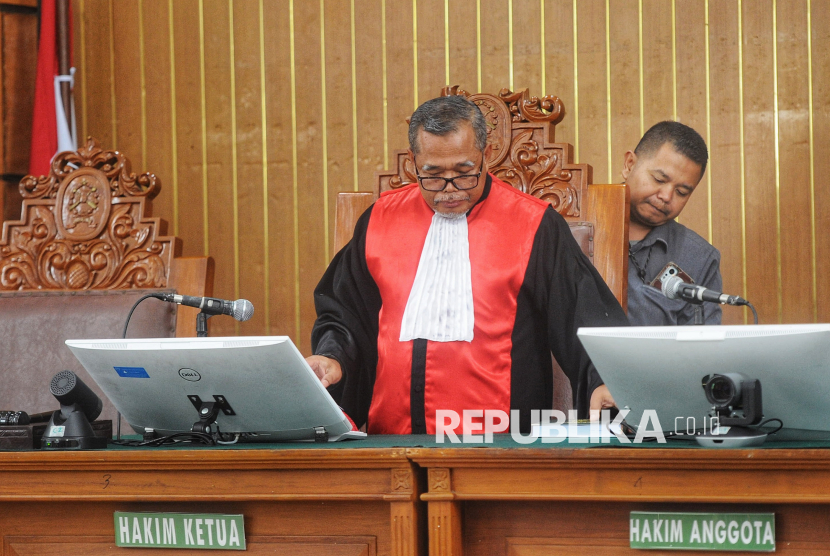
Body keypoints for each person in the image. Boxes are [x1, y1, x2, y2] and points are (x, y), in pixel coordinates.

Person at [306, 95, 628, 435]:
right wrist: (332, 357)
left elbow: (584, 312)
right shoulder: (378, 220)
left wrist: (606, 379)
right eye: (432, 175)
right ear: (414, 162)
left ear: (486, 157)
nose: (449, 190)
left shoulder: (534, 224)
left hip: (500, 446)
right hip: (390, 441)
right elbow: (345, 314)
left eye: (464, 173)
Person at [623, 121, 723, 326]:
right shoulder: (575, 227)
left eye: (681, 192)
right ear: (629, 165)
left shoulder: (698, 257)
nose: (666, 196)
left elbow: (701, 347)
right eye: (659, 179)